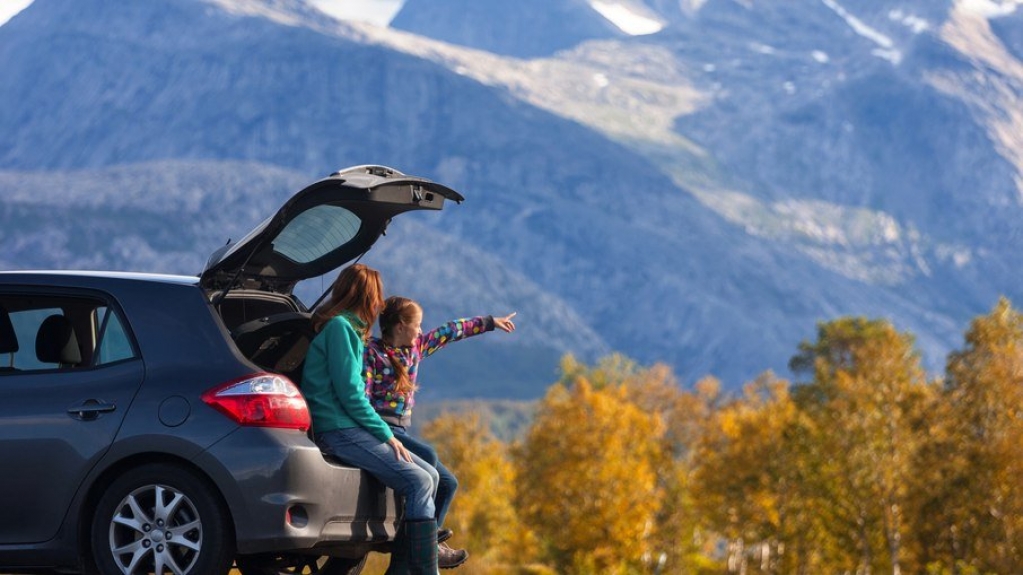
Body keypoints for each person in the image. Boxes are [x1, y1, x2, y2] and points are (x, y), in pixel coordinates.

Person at [301, 265, 441, 575]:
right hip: (338, 429)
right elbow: (351, 395)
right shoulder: (339, 329)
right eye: (377, 296)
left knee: (430, 476)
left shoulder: (346, 330)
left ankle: (405, 568)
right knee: (418, 481)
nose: (380, 305)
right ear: (367, 296)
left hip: (347, 426)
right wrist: (386, 435)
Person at [365, 296, 517, 570]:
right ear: (400, 326)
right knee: (430, 456)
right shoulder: (371, 353)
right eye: (418, 325)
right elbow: (361, 398)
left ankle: (428, 540)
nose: (422, 331)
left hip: (401, 428)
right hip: (382, 428)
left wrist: (490, 323)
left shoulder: (416, 349)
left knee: (449, 483)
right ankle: (420, 550)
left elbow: (450, 331)